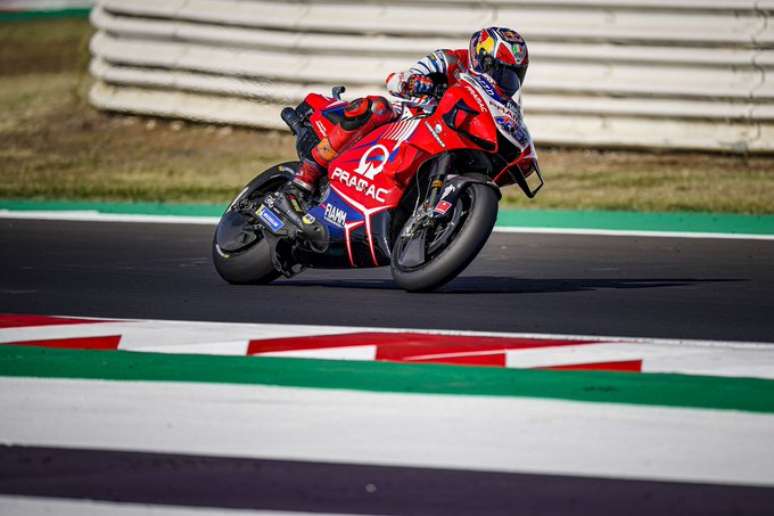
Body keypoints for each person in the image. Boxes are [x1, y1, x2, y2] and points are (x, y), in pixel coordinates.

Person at [284, 26, 530, 203]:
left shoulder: (503, 103)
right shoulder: (450, 60)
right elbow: (395, 81)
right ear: (482, 58)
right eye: (500, 71)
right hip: (411, 116)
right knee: (376, 107)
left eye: (511, 75)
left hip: (446, 137)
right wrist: (416, 83)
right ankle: (309, 172)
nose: (504, 80)